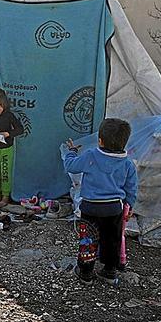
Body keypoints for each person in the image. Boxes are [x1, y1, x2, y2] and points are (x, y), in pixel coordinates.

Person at [63, 118, 138, 285]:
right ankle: (109, 272)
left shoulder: (91, 156)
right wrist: (130, 204)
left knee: (88, 239)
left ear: (100, 140)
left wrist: (71, 152)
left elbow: (71, 166)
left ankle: (86, 273)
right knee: (112, 240)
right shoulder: (127, 164)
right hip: (114, 209)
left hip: (90, 208)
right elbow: (131, 188)